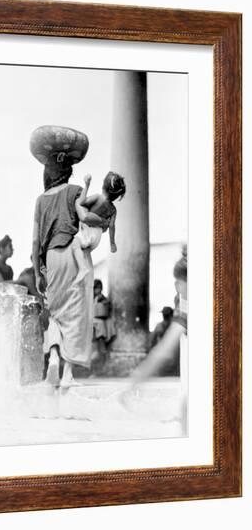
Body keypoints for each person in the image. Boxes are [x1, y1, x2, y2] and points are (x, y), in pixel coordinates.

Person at [30, 125, 105, 388]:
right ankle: (68, 374)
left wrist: (38, 272)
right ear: (67, 171)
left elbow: (36, 240)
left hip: (51, 258)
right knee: (75, 313)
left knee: (55, 313)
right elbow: (91, 207)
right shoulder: (74, 192)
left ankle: (52, 358)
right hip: (72, 255)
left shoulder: (41, 200)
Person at [121, 247, 188, 431]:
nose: (176, 288)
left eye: (178, 282)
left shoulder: (186, 309)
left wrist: (135, 380)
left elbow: (164, 351)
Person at [73, 172, 126, 275]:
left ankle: (81, 268)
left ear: (103, 186)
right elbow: (111, 226)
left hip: (87, 229)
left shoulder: (98, 197)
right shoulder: (113, 210)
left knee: (76, 245)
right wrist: (112, 243)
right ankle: (83, 266)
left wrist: (87, 185)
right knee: (86, 250)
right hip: (97, 235)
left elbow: (81, 202)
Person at [91, 279, 116, 376]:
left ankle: (102, 369)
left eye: (97, 288)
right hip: (94, 326)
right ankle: (96, 371)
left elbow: (107, 307)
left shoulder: (102, 298)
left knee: (101, 349)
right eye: (95, 289)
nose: (96, 291)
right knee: (94, 351)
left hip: (101, 327)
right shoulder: (91, 298)